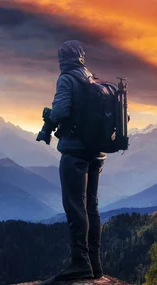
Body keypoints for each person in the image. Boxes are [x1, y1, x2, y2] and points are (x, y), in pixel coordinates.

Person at [40, 40, 107, 284]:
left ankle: (80, 263)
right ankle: (95, 264)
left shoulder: (67, 79)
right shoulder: (90, 77)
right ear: (81, 56)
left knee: (74, 205)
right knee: (91, 205)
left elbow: (60, 112)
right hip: (97, 153)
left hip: (75, 152)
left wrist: (49, 117)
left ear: (62, 59)